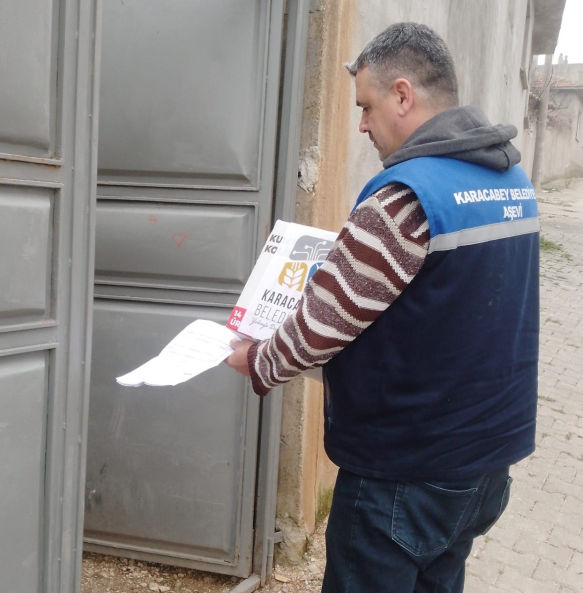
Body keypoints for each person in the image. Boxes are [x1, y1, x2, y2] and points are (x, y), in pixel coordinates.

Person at [226, 22, 539, 593]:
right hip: (485, 467)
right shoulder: (514, 182)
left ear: (402, 94)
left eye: (366, 107)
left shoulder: (404, 197)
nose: (363, 125)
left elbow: (322, 325)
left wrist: (257, 359)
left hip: (404, 473)